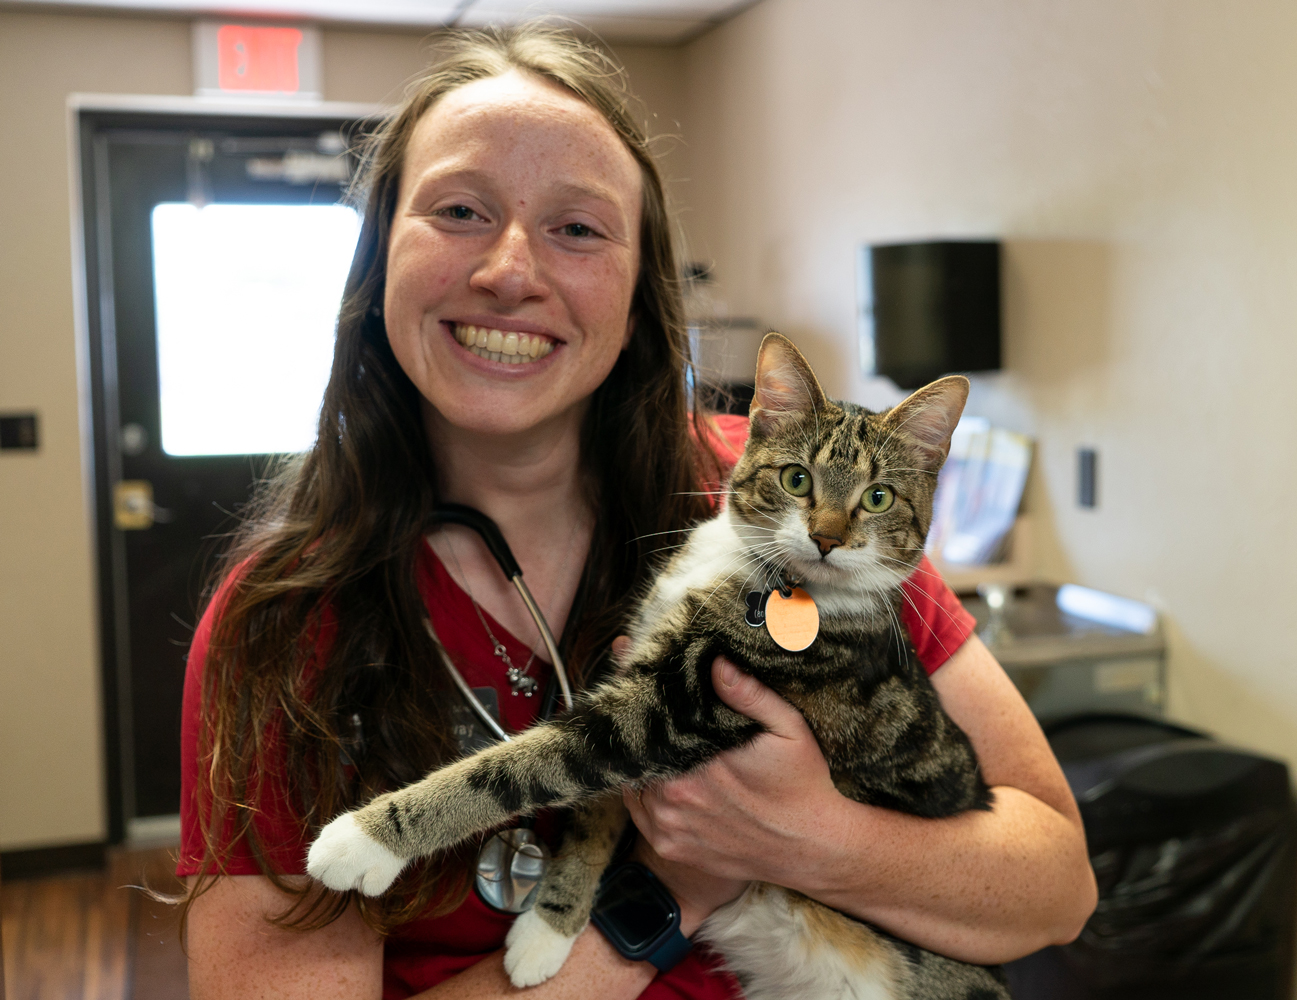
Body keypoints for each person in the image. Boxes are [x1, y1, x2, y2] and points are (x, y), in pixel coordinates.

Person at [178, 24, 1097, 1000]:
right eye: (460, 210)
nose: (510, 270)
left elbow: (1056, 891)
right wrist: (669, 892)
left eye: (577, 228)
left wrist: (814, 839)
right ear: (377, 260)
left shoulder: (797, 517)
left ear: (636, 293)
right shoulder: (283, 625)